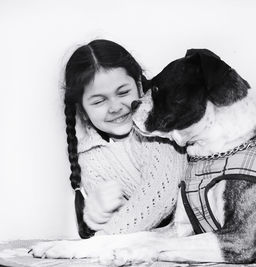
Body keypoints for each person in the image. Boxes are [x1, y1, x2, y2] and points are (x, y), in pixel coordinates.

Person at [63, 39, 187, 238]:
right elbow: (119, 220)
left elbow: (161, 195)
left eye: (123, 92)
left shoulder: (156, 133)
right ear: (83, 111)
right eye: (99, 101)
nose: (115, 107)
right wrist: (97, 215)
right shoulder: (89, 159)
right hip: (154, 243)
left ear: (138, 85)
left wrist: (101, 240)